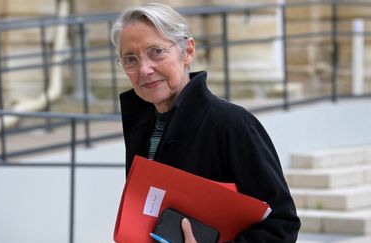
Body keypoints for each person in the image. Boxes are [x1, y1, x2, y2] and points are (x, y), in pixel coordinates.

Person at [111, 3, 300, 242]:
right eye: (130, 59)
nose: (144, 69)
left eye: (156, 51)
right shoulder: (143, 127)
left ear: (188, 51)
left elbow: (282, 225)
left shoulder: (233, 124)